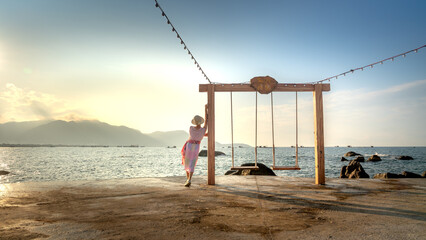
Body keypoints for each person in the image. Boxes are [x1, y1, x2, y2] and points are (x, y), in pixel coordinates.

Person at [181, 105, 208, 187]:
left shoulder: (191, 128)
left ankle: (187, 179)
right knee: (192, 163)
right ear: (201, 122)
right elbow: (206, 120)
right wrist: (205, 109)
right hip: (196, 147)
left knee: (187, 162)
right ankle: (189, 179)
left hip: (189, 146)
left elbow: (195, 134)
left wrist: (203, 135)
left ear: (194, 122)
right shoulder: (203, 130)